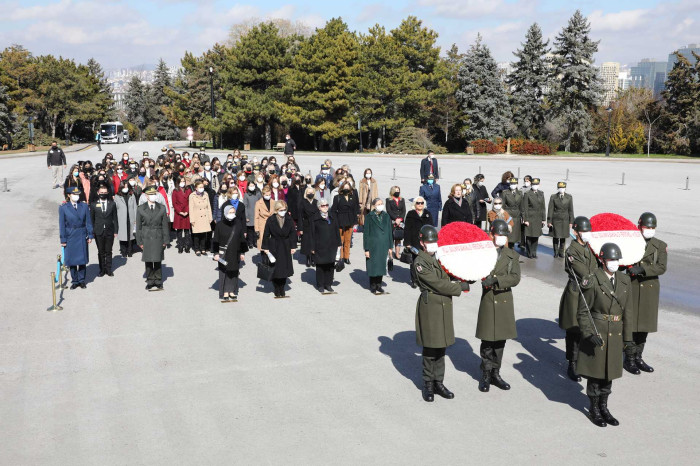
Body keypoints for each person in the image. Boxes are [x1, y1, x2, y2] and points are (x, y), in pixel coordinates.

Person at [576, 242, 631, 427]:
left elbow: (628, 312)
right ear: (602, 259)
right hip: (598, 330)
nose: (614, 262)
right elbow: (583, 312)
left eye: (616, 259)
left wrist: (628, 338)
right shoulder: (592, 280)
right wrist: (588, 333)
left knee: (609, 373)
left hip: (615, 333)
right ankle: (594, 409)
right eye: (611, 259)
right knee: (596, 373)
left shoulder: (624, 280)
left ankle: (604, 407)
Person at [413, 224, 470, 402]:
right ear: (422, 242)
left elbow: (449, 274)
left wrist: (465, 276)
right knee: (430, 348)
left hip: (444, 305)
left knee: (441, 346)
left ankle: (439, 382)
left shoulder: (439, 258)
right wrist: (459, 287)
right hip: (431, 306)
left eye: (434, 241)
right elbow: (437, 284)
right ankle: (428, 384)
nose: (432, 245)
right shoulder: (420, 262)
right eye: (429, 242)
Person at [476, 219, 521, 393]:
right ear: (492, 234)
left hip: (504, 299)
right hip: (488, 299)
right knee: (487, 340)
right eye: (498, 234)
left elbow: (515, 278)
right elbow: (476, 271)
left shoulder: (512, 255)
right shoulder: (484, 252)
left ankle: (496, 372)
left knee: (500, 340)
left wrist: (497, 280)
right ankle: (486, 374)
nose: (501, 238)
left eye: (504, 235)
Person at [625, 212, 667, 375]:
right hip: (633, 288)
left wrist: (643, 269)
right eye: (646, 227)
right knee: (630, 325)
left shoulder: (660, 245)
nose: (649, 230)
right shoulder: (630, 243)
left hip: (649, 290)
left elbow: (661, 267)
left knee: (644, 326)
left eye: (652, 227)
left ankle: (638, 357)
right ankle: (629, 359)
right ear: (639, 226)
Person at [559, 216, 597, 382]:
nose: (587, 233)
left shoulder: (590, 248)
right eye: (584, 231)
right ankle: (572, 364)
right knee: (574, 330)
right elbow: (584, 273)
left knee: (586, 328)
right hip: (576, 292)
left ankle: (583, 362)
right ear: (576, 232)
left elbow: (596, 267)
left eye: (589, 230)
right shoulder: (572, 251)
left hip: (589, 292)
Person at [135, 186, 170, 290]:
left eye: (154, 194)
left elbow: (165, 225)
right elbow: (139, 227)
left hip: (158, 236)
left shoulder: (162, 208)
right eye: (150, 195)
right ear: (146, 196)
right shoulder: (141, 208)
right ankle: (150, 280)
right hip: (146, 236)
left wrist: (166, 240)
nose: (153, 196)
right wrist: (139, 241)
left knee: (158, 259)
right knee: (148, 260)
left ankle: (158, 280)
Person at [212, 203, 248, 302]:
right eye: (230, 212)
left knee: (234, 272)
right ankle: (224, 291)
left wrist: (242, 252)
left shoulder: (238, 223)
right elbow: (215, 239)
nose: (232, 214)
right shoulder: (219, 225)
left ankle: (232, 290)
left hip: (235, 251)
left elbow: (242, 239)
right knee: (224, 272)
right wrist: (215, 253)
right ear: (225, 213)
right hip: (223, 252)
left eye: (233, 212)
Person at [59, 187, 94, 289]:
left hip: (82, 234)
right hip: (70, 235)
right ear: (69, 195)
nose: (76, 196)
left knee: (82, 259)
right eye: (74, 194)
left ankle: (82, 280)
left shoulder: (83, 206)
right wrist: (63, 239)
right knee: (72, 260)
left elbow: (88, 222)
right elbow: (62, 225)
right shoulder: (63, 208)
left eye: (78, 194)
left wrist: (90, 235)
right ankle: (75, 280)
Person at [261, 200, 297, 298]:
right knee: (275, 269)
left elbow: (293, 233)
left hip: (286, 245)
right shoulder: (271, 219)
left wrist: (293, 246)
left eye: (284, 209)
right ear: (276, 210)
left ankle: (282, 287)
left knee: (284, 269)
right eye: (281, 210)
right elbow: (266, 234)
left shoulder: (289, 219)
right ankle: (276, 287)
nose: (283, 211)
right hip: (274, 245)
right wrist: (265, 248)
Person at [310, 198, 342, 293]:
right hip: (320, 246)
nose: (325, 207)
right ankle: (320, 285)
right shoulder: (315, 218)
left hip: (331, 245)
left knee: (330, 266)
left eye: (327, 205)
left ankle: (328, 284)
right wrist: (312, 247)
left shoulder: (332, 216)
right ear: (319, 207)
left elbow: (337, 231)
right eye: (323, 206)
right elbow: (311, 233)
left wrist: (339, 244)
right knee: (320, 266)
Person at [363, 198, 393, 294]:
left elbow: (389, 231)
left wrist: (390, 246)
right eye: (378, 204)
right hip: (373, 245)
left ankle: (379, 285)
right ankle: (372, 285)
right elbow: (366, 234)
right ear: (374, 206)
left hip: (384, 244)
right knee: (373, 265)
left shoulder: (386, 216)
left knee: (381, 265)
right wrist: (366, 248)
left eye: (381, 203)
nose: (381, 205)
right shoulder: (369, 216)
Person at [403, 196, 433, 287]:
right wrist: (407, 243)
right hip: (414, 241)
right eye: (418, 203)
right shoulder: (411, 214)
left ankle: (423, 280)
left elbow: (431, 228)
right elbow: (407, 229)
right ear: (415, 204)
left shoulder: (427, 213)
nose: (420, 205)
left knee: (425, 262)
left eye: (422, 203)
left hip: (425, 242)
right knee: (415, 262)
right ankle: (414, 280)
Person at [90, 183, 118, 277]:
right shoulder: (93, 205)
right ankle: (102, 269)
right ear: (98, 193)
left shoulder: (112, 204)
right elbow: (92, 219)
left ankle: (109, 269)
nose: (103, 194)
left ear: (108, 193)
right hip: (98, 231)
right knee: (101, 251)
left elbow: (115, 218)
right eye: (101, 192)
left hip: (110, 230)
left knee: (109, 251)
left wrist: (116, 231)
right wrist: (93, 231)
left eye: (105, 192)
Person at [331, 180, 360, 265]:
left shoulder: (353, 197)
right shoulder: (337, 197)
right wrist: (336, 220)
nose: (346, 189)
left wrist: (355, 221)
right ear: (342, 188)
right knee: (341, 240)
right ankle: (341, 257)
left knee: (348, 240)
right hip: (340, 221)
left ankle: (346, 257)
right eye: (345, 187)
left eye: (348, 187)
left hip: (350, 220)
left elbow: (355, 209)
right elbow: (333, 210)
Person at [547, 181, 575, 258]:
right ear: (557, 188)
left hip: (565, 219)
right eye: (560, 188)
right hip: (556, 219)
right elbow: (550, 209)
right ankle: (555, 251)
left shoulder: (569, 197)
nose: (561, 189)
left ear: (565, 188)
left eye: (562, 188)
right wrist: (549, 221)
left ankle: (561, 251)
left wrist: (571, 221)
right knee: (555, 236)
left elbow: (571, 210)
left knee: (563, 237)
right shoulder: (553, 197)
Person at [520, 177, 546, 258]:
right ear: (531, 185)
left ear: (539, 185)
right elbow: (525, 208)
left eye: (537, 184)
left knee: (536, 236)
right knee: (529, 236)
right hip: (530, 217)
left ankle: (534, 252)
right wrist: (525, 219)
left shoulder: (541, 193)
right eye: (534, 184)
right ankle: (529, 252)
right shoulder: (527, 194)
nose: (535, 186)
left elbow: (543, 207)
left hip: (538, 218)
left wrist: (543, 219)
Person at [188, 180, 212, 256]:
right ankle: (197, 249)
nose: (202, 188)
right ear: (196, 188)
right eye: (200, 187)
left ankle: (203, 248)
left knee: (204, 234)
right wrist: (192, 219)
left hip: (205, 216)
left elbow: (209, 207)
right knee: (197, 235)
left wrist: (210, 217)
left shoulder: (206, 194)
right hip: (196, 216)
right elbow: (191, 208)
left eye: (202, 187)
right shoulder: (192, 196)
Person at [115, 179, 138, 258]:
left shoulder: (132, 195)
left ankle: (130, 250)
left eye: (127, 186)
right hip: (121, 218)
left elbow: (135, 207)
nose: (125, 188)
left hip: (131, 218)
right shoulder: (117, 196)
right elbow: (115, 208)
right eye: (124, 186)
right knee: (123, 235)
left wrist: (136, 218)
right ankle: (123, 251)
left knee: (131, 235)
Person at [299, 186, 319, 267]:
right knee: (307, 241)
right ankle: (308, 258)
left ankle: (313, 258)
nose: (310, 194)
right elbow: (300, 216)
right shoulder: (302, 202)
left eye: (312, 193)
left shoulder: (316, 202)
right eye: (309, 193)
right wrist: (300, 228)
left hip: (315, 223)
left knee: (314, 241)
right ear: (306, 193)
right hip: (306, 224)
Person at [172, 178, 192, 254]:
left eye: (184, 181)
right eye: (181, 181)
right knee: (179, 230)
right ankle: (180, 246)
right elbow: (174, 203)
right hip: (179, 213)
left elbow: (190, 201)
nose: (183, 183)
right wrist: (180, 211)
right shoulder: (175, 191)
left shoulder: (188, 190)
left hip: (187, 212)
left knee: (187, 230)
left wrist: (187, 211)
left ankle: (187, 246)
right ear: (178, 182)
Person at [501, 177, 522, 249]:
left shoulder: (520, 193)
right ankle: (507, 250)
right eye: (512, 183)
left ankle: (512, 249)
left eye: (515, 183)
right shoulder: (505, 193)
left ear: (517, 184)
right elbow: (502, 206)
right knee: (508, 234)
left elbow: (522, 206)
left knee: (515, 235)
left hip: (516, 216)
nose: (513, 185)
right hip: (508, 215)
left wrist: (523, 217)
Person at [386, 186, 406, 259]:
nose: (397, 192)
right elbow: (389, 211)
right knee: (391, 238)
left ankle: (397, 254)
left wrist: (400, 219)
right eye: (396, 191)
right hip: (392, 221)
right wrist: (395, 219)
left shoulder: (402, 199)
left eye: (398, 190)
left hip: (400, 222)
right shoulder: (388, 200)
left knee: (398, 238)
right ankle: (390, 254)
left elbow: (404, 211)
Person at [243, 181, 262, 249]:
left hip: (257, 213)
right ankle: (250, 242)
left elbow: (261, 203)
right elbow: (245, 205)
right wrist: (246, 216)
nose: (252, 187)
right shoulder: (246, 194)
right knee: (250, 229)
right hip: (249, 213)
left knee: (256, 229)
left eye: (253, 185)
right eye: (250, 185)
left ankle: (255, 242)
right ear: (248, 187)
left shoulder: (258, 193)